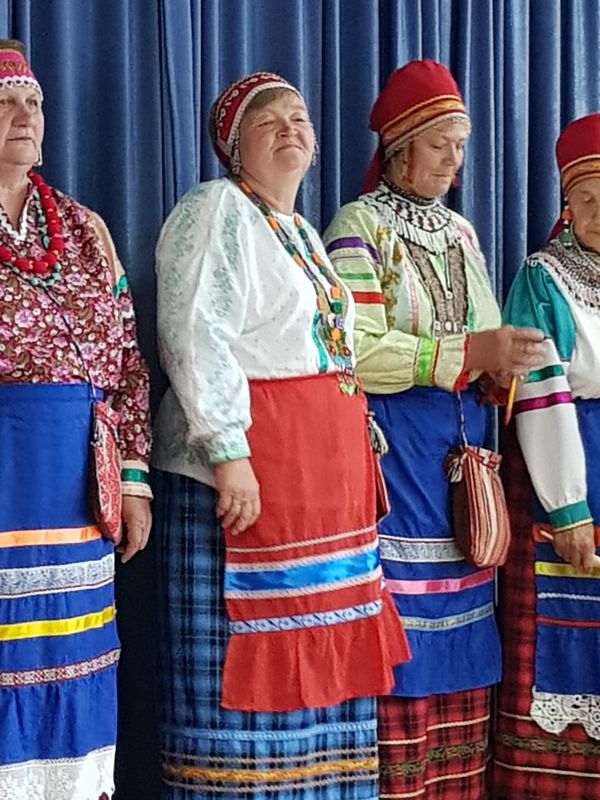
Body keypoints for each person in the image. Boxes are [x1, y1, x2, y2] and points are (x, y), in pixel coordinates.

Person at [152, 71, 410, 799]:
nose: (290, 128)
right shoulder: (217, 209)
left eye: (299, 118)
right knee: (240, 685)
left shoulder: (300, 233)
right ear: (235, 149)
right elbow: (196, 329)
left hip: (320, 496)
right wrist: (228, 449)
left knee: (324, 691)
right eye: (269, 122)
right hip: (249, 484)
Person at [323, 60, 544, 800]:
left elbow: (484, 337)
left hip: (460, 458)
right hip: (399, 459)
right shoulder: (358, 227)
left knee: (462, 629)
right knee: (405, 633)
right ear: (399, 148)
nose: (454, 161)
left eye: (460, 146)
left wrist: (503, 366)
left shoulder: (461, 233)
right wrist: (464, 354)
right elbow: (354, 349)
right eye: (440, 144)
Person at [0, 41, 152, 800]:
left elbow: (125, 361)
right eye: (4, 103)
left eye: (32, 102)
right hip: (8, 475)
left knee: (71, 658)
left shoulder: (85, 228)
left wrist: (134, 481)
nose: (23, 115)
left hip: (76, 488)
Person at [493, 113, 600, 799]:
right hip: (571, 469)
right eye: (588, 199)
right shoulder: (543, 279)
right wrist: (569, 509)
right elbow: (540, 390)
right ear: (567, 205)